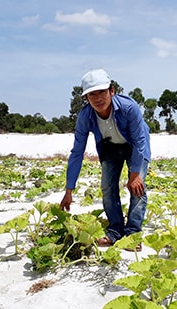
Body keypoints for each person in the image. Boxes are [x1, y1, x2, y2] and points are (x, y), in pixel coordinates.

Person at [60, 68, 151, 251]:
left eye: (101, 92)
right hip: (110, 147)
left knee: (137, 187)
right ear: (86, 98)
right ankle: (115, 231)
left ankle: (133, 234)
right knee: (108, 187)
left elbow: (140, 141)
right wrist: (69, 189)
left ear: (112, 90)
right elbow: (77, 152)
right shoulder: (85, 116)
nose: (98, 98)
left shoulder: (129, 108)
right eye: (91, 94)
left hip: (135, 147)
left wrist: (135, 174)